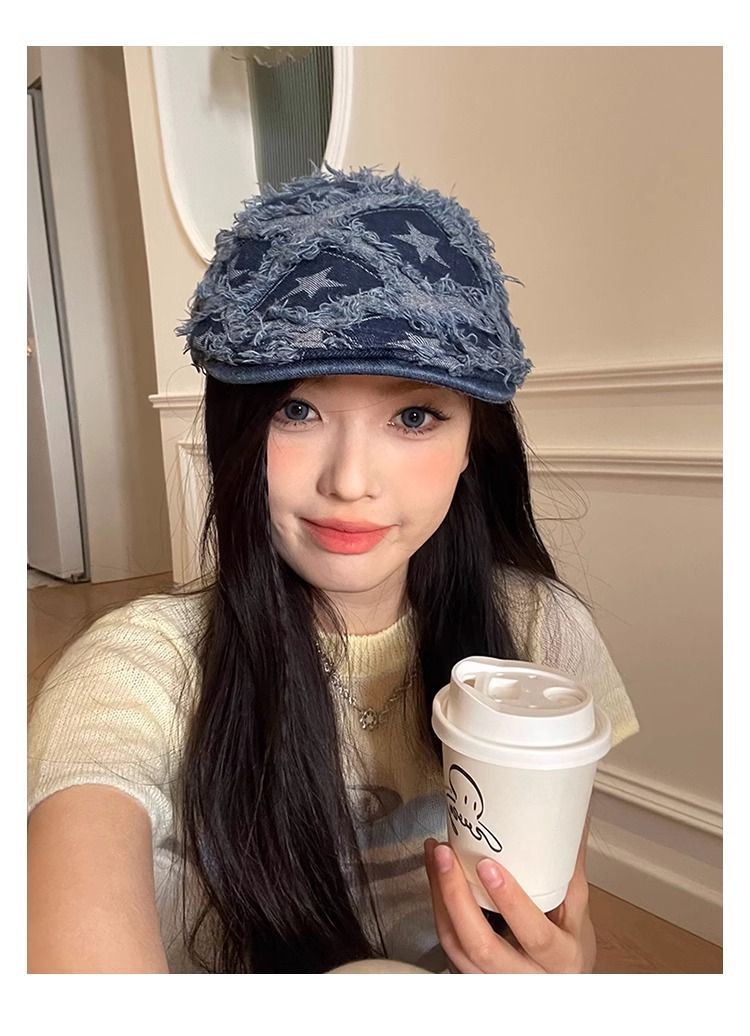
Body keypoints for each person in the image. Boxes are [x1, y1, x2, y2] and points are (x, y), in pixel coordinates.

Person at [27, 163, 640, 975]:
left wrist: (559, 972)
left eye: (414, 415)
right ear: (236, 431)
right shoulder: (135, 671)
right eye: (297, 410)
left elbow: (566, 926)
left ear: (473, 443)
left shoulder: (540, 638)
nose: (349, 482)